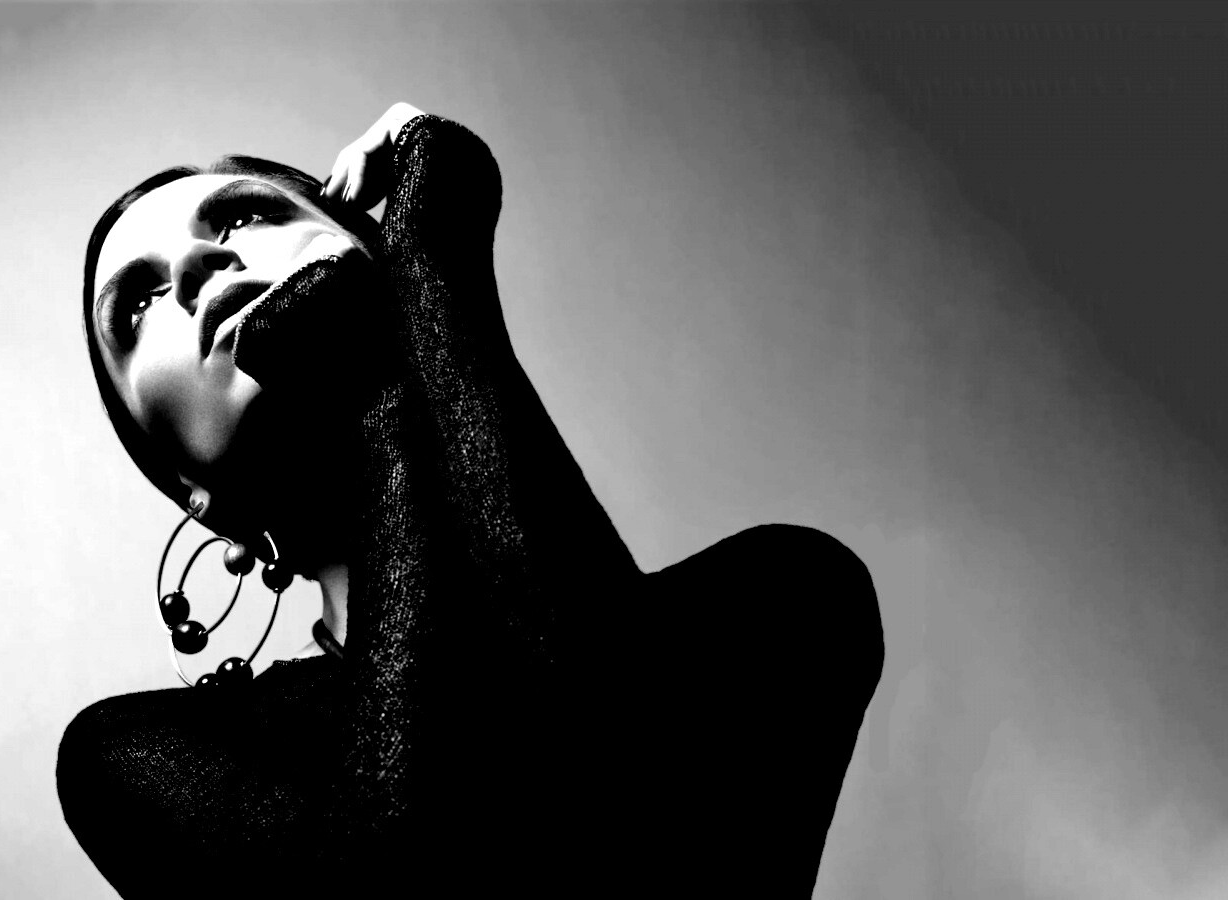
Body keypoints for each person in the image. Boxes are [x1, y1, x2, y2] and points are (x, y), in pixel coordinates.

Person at [59, 102, 885, 893]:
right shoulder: (147, 759)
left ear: (382, 252)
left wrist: (437, 258)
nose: (195, 268)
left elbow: (623, 791)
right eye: (137, 305)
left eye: (246, 217)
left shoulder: (781, 600)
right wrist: (375, 388)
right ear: (194, 494)